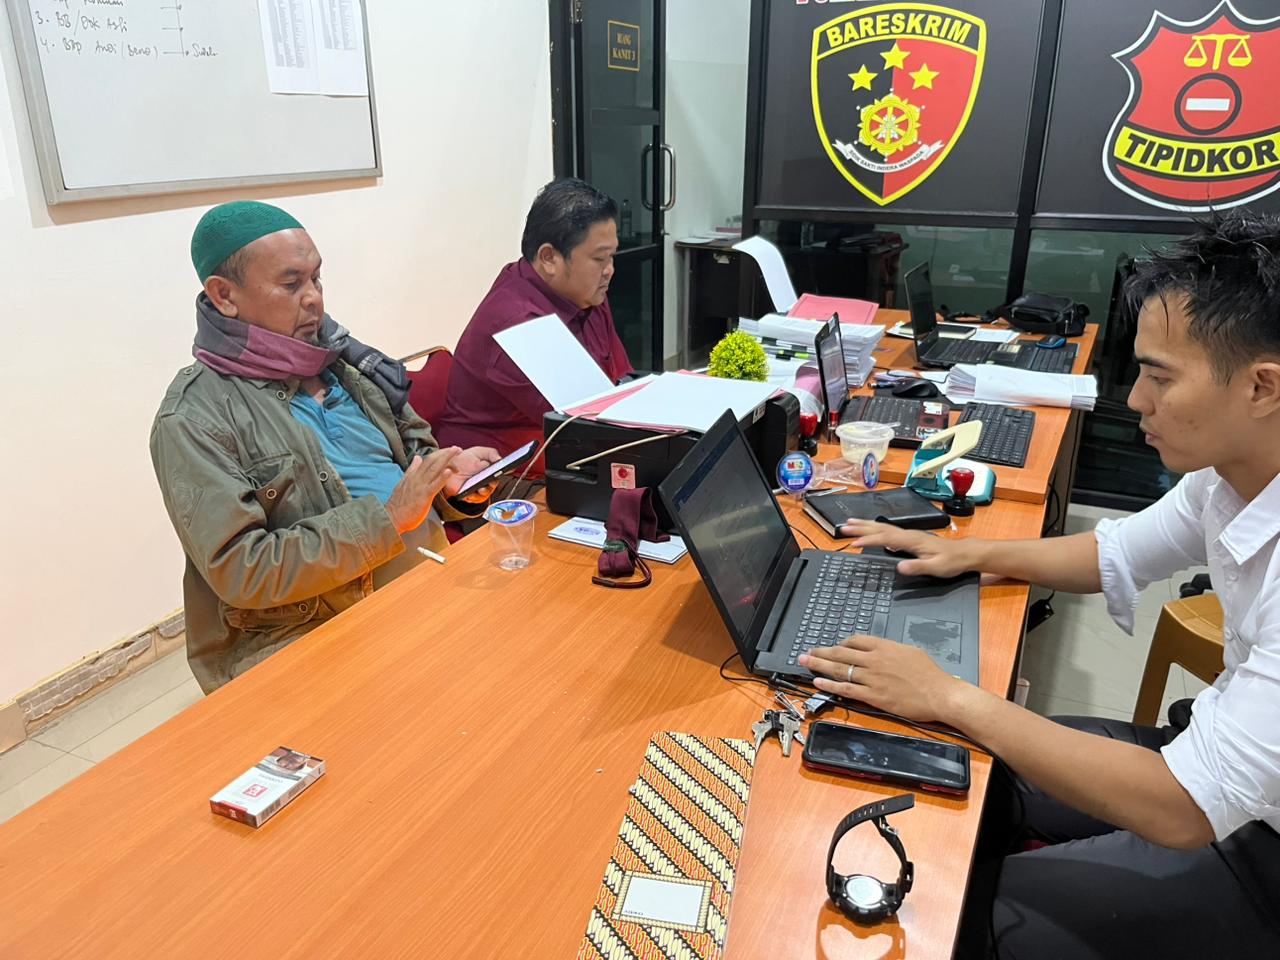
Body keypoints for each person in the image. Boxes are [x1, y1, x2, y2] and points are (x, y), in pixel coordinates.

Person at [801, 211, 1280, 958]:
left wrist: (949, 695)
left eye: (1160, 377)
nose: (1137, 401)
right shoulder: (1231, 476)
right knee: (976, 776)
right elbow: (1113, 552)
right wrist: (965, 554)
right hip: (1222, 768)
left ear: (1261, 386)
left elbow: (1183, 808)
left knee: (963, 914)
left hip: (1259, 851)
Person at [151, 201, 499, 693]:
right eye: (291, 284)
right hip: (312, 635)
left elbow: (414, 465)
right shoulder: (193, 419)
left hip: (427, 588)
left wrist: (449, 482)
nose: (313, 299)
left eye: (317, 278)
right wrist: (389, 518)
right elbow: (243, 570)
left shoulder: (344, 365)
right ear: (224, 296)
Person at [435, 178, 633, 469]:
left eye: (612, 256)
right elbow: (585, 428)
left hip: (563, 448)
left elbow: (621, 382)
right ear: (549, 258)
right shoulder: (517, 323)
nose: (610, 270)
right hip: (496, 472)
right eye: (599, 258)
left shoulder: (584, 295)